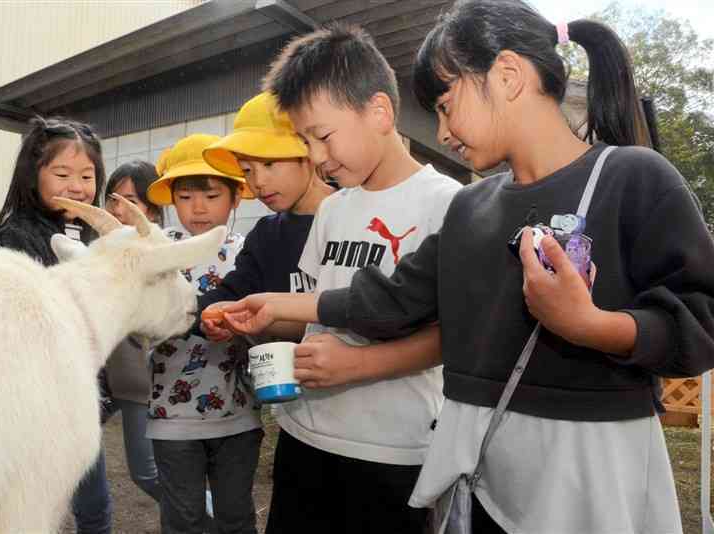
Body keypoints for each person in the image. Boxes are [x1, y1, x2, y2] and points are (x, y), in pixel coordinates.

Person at [221, 2, 714, 533]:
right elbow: (393, 299)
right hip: (483, 472)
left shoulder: (633, 177)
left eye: (446, 103)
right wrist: (276, 304)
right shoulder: (470, 207)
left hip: (589, 469)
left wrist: (592, 325)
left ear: (507, 75)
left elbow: (700, 319)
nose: (443, 129)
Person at [215, 25, 463, 534]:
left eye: (322, 135)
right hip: (304, 436)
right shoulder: (333, 209)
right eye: (305, 141)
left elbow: (452, 336)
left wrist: (361, 364)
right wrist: (263, 318)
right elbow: (313, 308)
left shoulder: (448, 204)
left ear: (379, 111)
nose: (317, 155)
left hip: (392, 449)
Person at [0, 116, 114, 534]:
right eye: (62, 173)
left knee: (93, 502)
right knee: (32, 506)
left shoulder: (96, 236)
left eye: (87, 175)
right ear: (33, 175)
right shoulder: (16, 234)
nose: (77, 186)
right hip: (38, 396)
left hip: (82, 394)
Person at [144, 134, 263, 534]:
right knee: (183, 519)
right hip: (172, 416)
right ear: (171, 200)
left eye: (211, 195)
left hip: (238, 415)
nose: (198, 208)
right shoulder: (158, 255)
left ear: (234, 198)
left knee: (235, 516)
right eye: (186, 196)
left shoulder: (250, 252)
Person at [195, 91, 334, 345]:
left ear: (308, 152)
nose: (258, 182)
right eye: (247, 170)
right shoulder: (265, 236)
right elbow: (233, 293)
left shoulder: (354, 216)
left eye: (269, 164)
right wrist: (214, 316)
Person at [102, 160, 163, 503]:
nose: (117, 209)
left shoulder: (153, 250)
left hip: (141, 384)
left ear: (152, 209)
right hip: (113, 380)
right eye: (113, 199)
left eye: (130, 201)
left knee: (148, 474)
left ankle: (217, 524)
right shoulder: (114, 247)